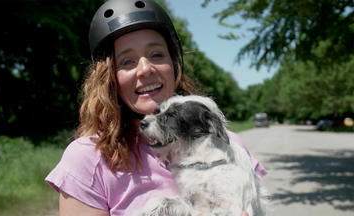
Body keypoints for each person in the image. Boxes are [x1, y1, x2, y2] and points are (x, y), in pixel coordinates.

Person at [45, 0, 267, 215]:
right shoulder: (88, 158)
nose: (145, 69)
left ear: (173, 64)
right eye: (127, 61)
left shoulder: (229, 144)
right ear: (109, 77)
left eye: (157, 55)